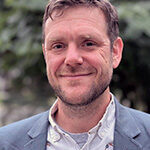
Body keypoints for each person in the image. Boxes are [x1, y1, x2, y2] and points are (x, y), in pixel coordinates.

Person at [0, 0, 150, 149]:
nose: (72, 59)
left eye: (89, 43)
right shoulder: (5, 143)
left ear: (115, 52)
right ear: (45, 54)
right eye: (58, 46)